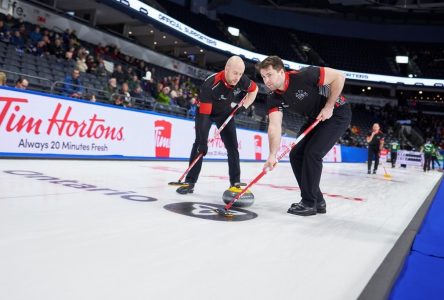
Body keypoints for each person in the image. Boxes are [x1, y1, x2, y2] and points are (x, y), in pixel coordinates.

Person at [258, 55, 351, 216]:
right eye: (264, 77)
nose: (267, 80)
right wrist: (272, 155)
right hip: (315, 118)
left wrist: (329, 106)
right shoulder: (273, 97)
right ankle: (317, 200)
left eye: (270, 75)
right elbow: (274, 125)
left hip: (337, 112)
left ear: (281, 72)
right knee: (296, 154)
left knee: (313, 153)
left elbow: (339, 77)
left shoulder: (304, 75)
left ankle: (308, 203)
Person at [176, 56, 258, 194]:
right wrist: (203, 142)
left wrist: (243, 107)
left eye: (240, 74)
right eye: (235, 73)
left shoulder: (242, 80)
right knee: (199, 145)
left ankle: (235, 182)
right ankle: (190, 182)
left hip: (225, 113)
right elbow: (204, 116)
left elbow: (253, 90)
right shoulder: (211, 84)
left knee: (233, 147)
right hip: (206, 113)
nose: (237, 77)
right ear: (226, 69)